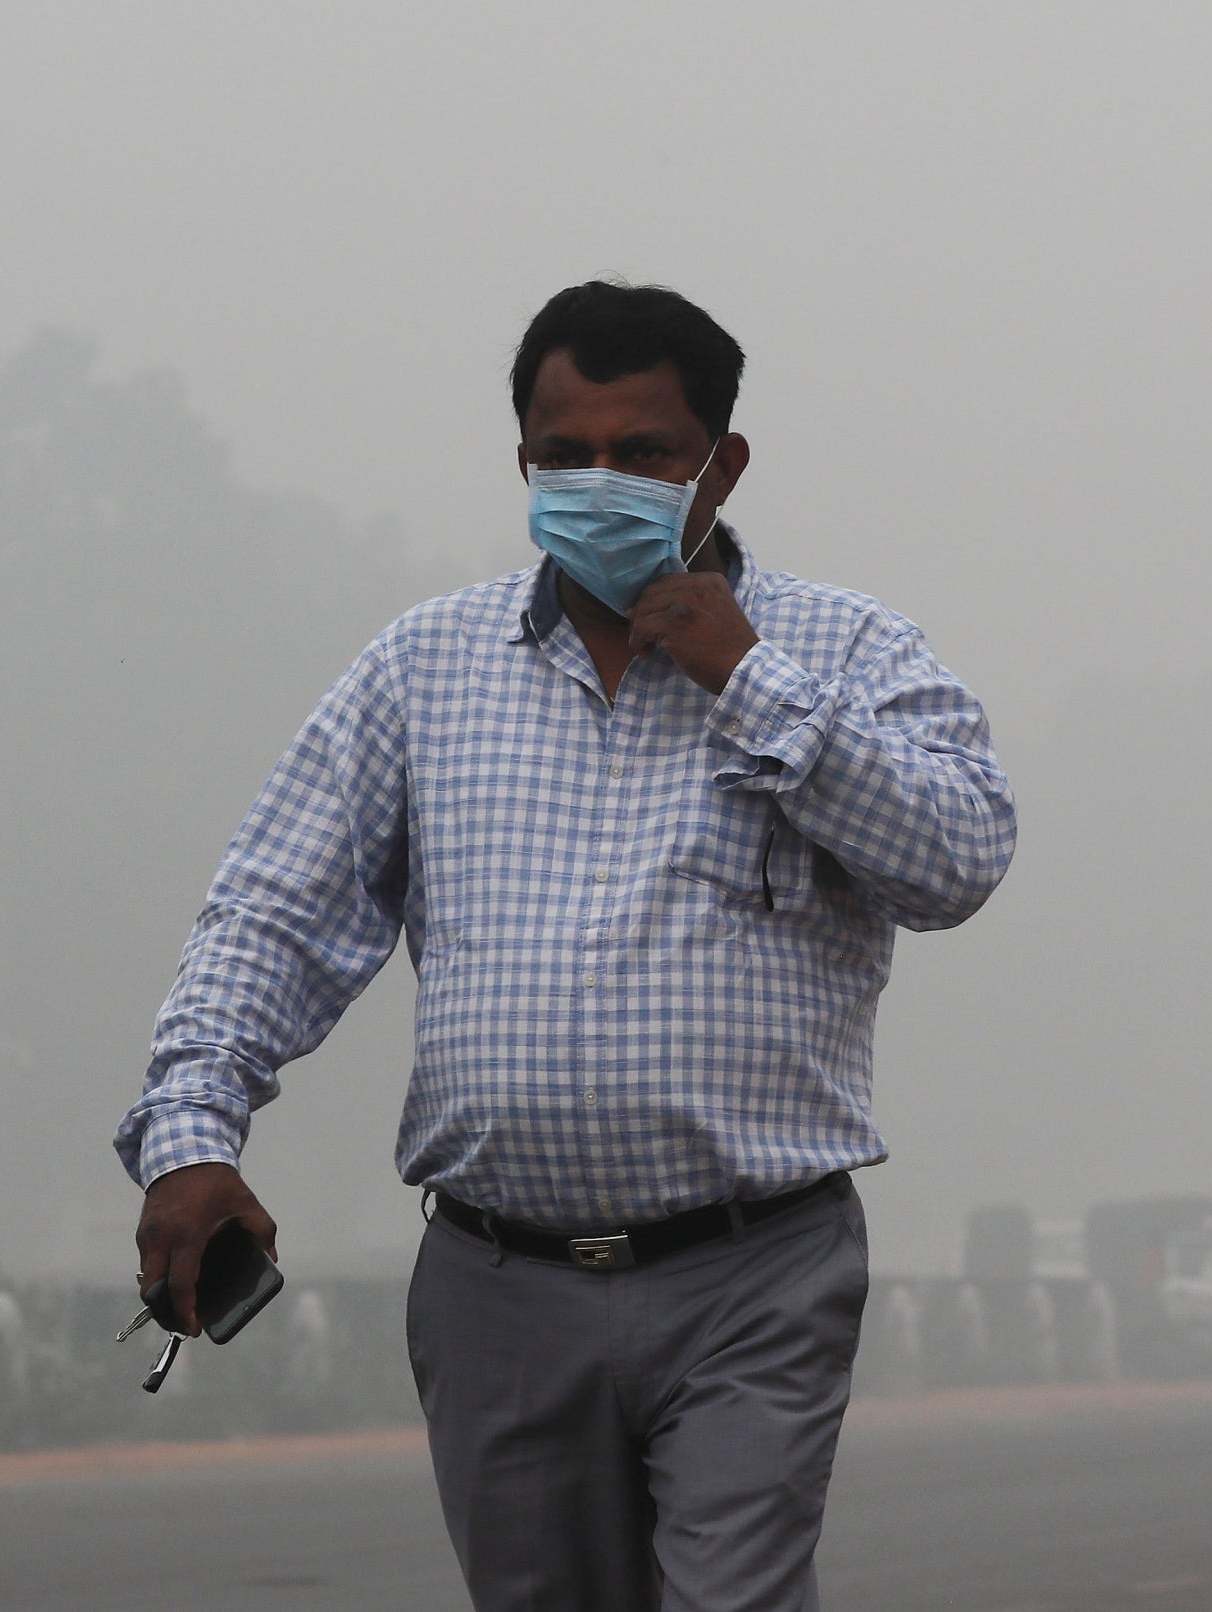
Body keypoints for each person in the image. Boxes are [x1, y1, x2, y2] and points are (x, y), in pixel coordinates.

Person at [114, 281, 1018, 1610]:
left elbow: (958, 858)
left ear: (724, 462)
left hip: (751, 1268)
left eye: (644, 453)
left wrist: (752, 678)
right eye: (564, 454)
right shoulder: (424, 669)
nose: (601, 482)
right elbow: (272, 912)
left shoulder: (848, 651)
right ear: (522, 461)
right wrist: (193, 1135)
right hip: (499, 1281)